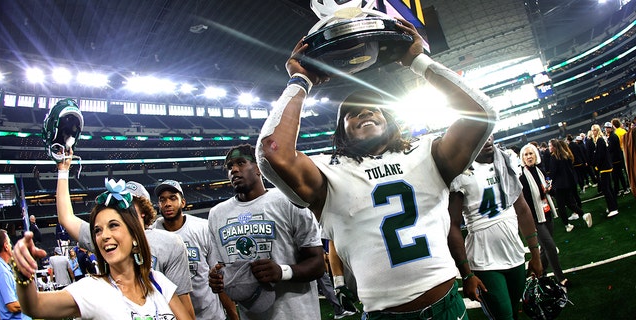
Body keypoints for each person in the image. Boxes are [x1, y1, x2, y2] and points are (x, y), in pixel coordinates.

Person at [256, 18, 497, 318]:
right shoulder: (328, 174)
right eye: (352, 113)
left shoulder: (427, 153)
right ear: (341, 132)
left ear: (390, 121)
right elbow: (272, 152)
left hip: (446, 306)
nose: (365, 112)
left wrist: (418, 61)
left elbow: (482, 113)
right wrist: (300, 81)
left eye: (374, 108)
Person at [10, 179, 192, 319]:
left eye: (113, 225)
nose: (103, 235)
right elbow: (35, 306)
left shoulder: (158, 282)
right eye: (97, 230)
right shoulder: (92, 290)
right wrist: (23, 276)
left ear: (134, 235)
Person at [54, 153, 196, 318]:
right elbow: (66, 218)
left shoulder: (169, 243)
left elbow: (183, 302)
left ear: (143, 212)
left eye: (128, 204)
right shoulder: (107, 237)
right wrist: (63, 171)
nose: (122, 209)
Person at [207, 144, 324, 319]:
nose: (234, 170)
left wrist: (282, 272)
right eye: (230, 166)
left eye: (241, 163)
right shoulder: (217, 214)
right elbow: (223, 267)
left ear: (259, 168)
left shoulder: (289, 200)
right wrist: (217, 279)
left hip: (296, 313)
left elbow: (317, 263)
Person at [447, 136, 543, 320]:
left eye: (489, 133)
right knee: (503, 316)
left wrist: (536, 255)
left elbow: (522, 209)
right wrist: (466, 274)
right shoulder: (461, 173)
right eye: (481, 134)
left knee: (514, 312)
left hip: (514, 252)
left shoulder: (507, 162)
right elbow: (453, 225)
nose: (487, 139)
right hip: (483, 259)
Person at [152, 180, 238, 320]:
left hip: (210, 315)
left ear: (183, 202)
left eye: (173, 198)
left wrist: (233, 315)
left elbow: (218, 275)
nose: (167, 203)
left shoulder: (202, 228)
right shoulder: (153, 234)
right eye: (162, 200)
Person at [518, 143, 569, 287]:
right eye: (526, 154)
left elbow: (550, 193)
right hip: (535, 218)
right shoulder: (522, 178)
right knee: (551, 247)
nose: (529, 156)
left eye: (531, 153)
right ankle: (561, 278)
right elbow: (525, 203)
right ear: (522, 158)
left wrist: (549, 189)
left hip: (546, 213)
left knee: (545, 248)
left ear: (536, 155)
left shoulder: (541, 171)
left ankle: (540, 273)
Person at [548, 139, 591, 232]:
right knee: (570, 203)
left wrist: (551, 182)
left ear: (554, 147)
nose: (549, 147)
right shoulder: (565, 155)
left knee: (561, 206)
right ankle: (583, 214)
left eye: (550, 146)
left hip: (559, 185)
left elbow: (553, 173)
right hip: (568, 183)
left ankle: (567, 225)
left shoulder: (554, 157)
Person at [0, 229, 31, 319]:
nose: (11, 245)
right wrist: (33, 305)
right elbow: (12, 305)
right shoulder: (2, 271)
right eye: (9, 242)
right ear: (6, 247)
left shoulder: (0, 267)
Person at [591, 124, 619, 216]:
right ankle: (613, 206)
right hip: (605, 166)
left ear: (597, 130)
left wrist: (597, 166)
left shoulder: (600, 140)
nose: (593, 132)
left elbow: (600, 155)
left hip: (604, 167)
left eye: (594, 130)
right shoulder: (600, 140)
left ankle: (613, 208)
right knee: (608, 188)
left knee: (606, 188)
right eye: (592, 130)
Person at [604, 122, 629, 196]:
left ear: (610, 128)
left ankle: (623, 189)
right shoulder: (611, 136)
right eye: (605, 128)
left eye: (607, 128)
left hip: (616, 159)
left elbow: (611, 148)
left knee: (618, 175)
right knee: (617, 175)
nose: (606, 129)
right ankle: (619, 189)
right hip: (615, 158)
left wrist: (606, 147)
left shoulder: (613, 137)